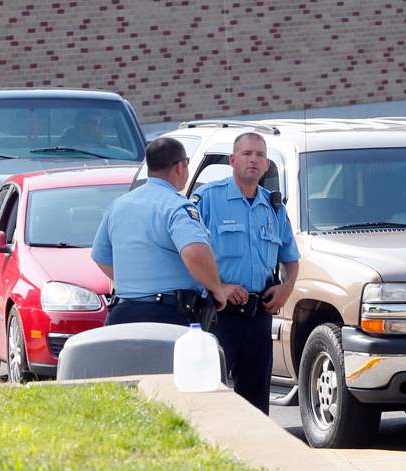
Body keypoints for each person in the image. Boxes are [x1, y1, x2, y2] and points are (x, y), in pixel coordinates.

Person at [193, 132, 300, 413]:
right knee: (210, 398)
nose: (254, 160)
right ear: (232, 160)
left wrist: (286, 288)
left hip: (258, 317)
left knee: (256, 405)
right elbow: (188, 256)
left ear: (266, 165)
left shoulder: (273, 206)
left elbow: (291, 258)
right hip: (219, 315)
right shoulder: (208, 199)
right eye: (247, 153)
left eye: (260, 155)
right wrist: (219, 287)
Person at [91, 137, 247, 326]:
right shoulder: (177, 206)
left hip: (122, 314)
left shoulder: (119, 205)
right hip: (166, 316)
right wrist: (217, 289)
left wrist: (138, 286)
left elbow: (100, 256)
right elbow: (196, 253)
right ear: (180, 167)